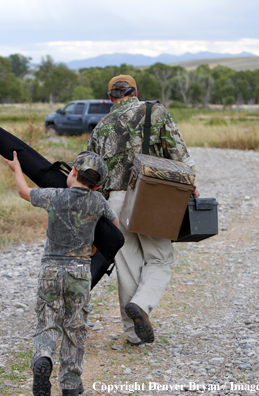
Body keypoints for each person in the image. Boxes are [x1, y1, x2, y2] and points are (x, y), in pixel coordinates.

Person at [87, 74, 200, 346]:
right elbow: (180, 156)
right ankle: (141, 303)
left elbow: (92, 176)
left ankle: (133, 335)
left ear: (111, 97)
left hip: (114, 201)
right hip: (151, 197)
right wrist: (192, 185)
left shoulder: (100, 127)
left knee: (127, 268)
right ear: (135, 91)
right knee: (160, 259)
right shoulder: (155, 112)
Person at [4, 150, 119, 396]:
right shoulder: (98, 202)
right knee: (75, 327)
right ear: (97, 186)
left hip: (50, 269)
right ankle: (70, 384)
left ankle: (43, 358)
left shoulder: (55, 196)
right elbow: (115, 228)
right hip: (79, 272)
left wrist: (17, 169)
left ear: (73, 172)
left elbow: (24, 192)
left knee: (47, 322)